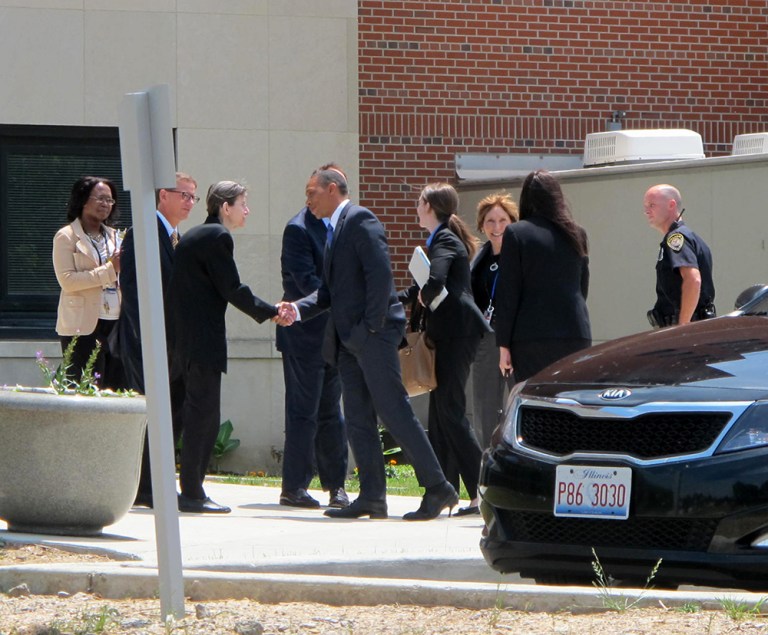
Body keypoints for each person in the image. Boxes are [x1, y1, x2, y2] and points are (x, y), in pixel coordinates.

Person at [279, 165, 458, 521]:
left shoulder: (361, 220)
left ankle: (438, 487)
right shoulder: (332, 230)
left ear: (333, 189)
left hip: (371, 337)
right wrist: (296, 310)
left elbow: (380, 277)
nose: (308, 200)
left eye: (312, 192)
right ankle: (372, 496)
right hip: (349, 342)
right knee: (358, 418)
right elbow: (328, 293)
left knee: (394, 411)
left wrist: (369, 331)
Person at [170, 181, 278, 513]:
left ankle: (185, 489)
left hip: (185, 340)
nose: (247, 210)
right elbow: (232, 288)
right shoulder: (218, 237)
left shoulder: (195, 235)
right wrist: (271, 312)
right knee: (203, 417)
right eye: (242, 204)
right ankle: (192, 493)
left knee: (191, 414)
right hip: (202, 341)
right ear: (225, 206)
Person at [399, 183, 490, 518]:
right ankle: (443, 490)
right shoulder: (439, 239)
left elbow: (435, 280)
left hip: (457, 334)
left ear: (430, 207)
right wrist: (394, 300)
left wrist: (426, 295)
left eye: (419, 202)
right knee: (440, 416)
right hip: (451, 334)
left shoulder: (445, 240)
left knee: (449, 412)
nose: (416, 207)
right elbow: (421, 286)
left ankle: (483, 492)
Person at [118, 172, 199, 508]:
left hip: (174, 346)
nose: (190, 202)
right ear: (163, 195)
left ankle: (156, 484)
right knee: (153, 415)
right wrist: (150, 341)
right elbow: (133, 291)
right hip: (147, 344)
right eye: (184, 195)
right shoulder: (143, 232)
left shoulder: (177, 238)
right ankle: (147, 488)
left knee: (172, 413)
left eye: (193, 197)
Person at [276, 197, 349, 510]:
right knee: (303, 413)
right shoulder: (298, 229)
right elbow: (307, 282)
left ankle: (337, 487)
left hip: (333, 336)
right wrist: (347, 298)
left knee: (331, 413)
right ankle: (294, 487)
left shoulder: (342, 227)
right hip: (303, 337)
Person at [495, 170, 592, 383]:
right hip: (575, 331)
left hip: (532, 335)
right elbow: (582, 285)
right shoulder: (577, 233)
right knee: (570, 394)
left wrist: (503, 344)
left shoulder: (516, 233)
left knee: (536, 395)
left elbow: (509, 292)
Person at [52, 176, 123, 389]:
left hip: (115, 321)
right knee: (83, 388)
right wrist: (110, 270)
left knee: (114, 387)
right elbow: (68, 281)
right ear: (83, 200)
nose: (106, 204)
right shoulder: (66, 236)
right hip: (82, 325)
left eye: (110, 200)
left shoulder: (115, 236)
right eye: (100, 199)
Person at [469, 192, 518, 449]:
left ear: (512, 222)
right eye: (490, 221)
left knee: (517, 399)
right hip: (486, 338)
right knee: (484, 406)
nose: (496, 227)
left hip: (514, 338)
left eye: (502, 220)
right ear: (482, 225)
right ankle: (486, 460)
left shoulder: (519, 255)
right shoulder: (479, 258)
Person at [643, 184, 715, 327]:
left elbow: (693, 280)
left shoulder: (676, 238)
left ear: (671, 205)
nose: (646, 211)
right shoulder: (686, 236)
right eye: (645, 206)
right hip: (694, 327)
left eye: (652, 205)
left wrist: (683, 325)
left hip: (687, 329)